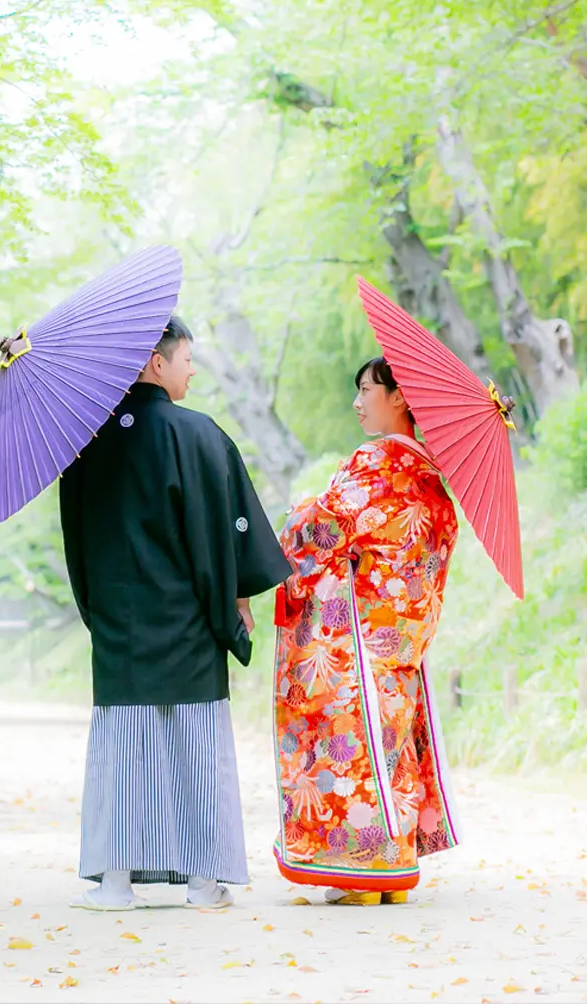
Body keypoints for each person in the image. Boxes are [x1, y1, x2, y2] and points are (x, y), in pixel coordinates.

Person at [59, 315, 293, 911]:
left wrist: (101, 612)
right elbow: (227, 531)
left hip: (121, 625)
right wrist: (234, 597)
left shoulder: (85, 443)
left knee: (123, 751)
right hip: (189, 621)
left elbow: (77, 540)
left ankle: (115, 883)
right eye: (186, 357)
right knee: (195, 748)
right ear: (154, 362)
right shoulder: (199, 435)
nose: (192, 368)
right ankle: (204, 882)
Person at [270, 356, 462, 906]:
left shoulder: (375, 462)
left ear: (399, 397)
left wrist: (296, 512)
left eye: (365, 389)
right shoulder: (431, 476)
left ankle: (364, 873)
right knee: (392, 741)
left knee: (355, 748)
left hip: (357, 635)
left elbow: (325, 526)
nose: (357, 402)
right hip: (402, 637)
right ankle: (394, 869)